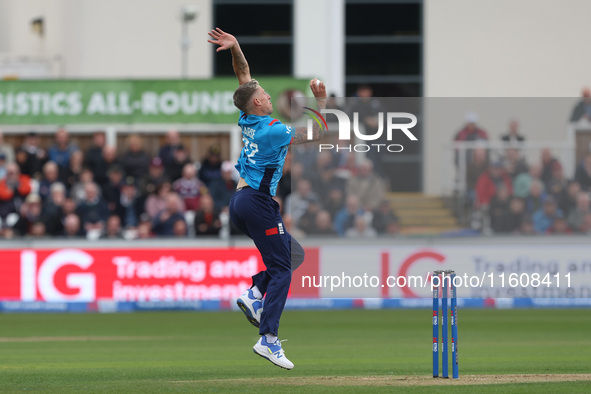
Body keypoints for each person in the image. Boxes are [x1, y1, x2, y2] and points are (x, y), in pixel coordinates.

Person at [208, 27, 324, 370]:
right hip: (257, 202)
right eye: (265, 94)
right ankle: (268, 339)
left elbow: (243, 76)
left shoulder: (247, 117)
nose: (269, 96)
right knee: (283, 269)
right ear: (257, 102)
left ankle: (255, 293)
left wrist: (236, 47)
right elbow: (318, 132)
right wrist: (321, 100)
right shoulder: (273, 130)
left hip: (242, 203)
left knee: (293, 255)